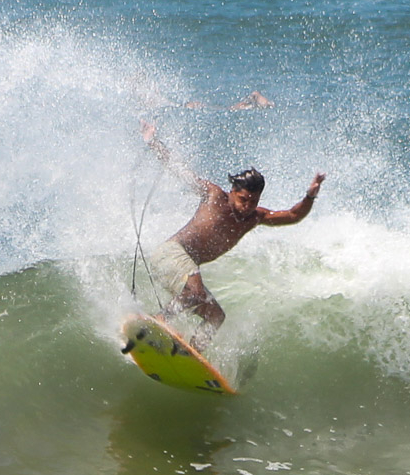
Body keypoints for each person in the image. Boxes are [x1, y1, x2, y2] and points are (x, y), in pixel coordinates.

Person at [139, 119, 325, 348]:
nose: (248, 205)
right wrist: (153, 142)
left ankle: (191, 353)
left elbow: (293, 216)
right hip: (171, 254)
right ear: (232, 191)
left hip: (186, 269)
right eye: (243, 199)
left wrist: (310, 196)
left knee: (216, 316)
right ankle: (160, 319)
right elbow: (179, 170)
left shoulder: (255, 217)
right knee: (197, 293)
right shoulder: (214, 195)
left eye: (254, 201)